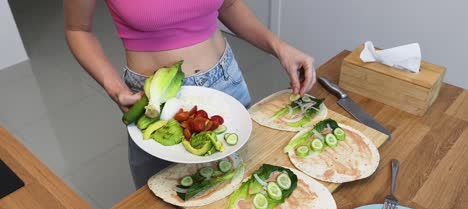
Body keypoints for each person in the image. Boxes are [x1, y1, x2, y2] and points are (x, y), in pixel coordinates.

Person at [64, 0, 317, 188]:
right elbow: (78, 29)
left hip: (226, 84)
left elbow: (228, 5)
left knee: (239, 185)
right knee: (170, 207)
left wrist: (279, 47)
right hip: (156, 104)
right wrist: (115, 88)